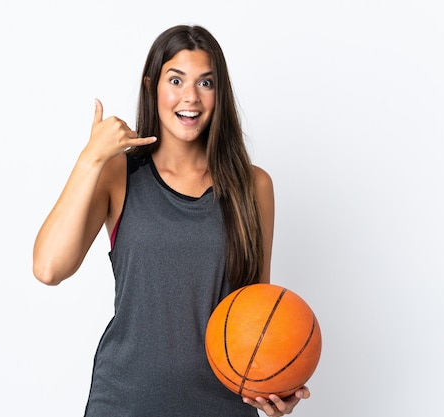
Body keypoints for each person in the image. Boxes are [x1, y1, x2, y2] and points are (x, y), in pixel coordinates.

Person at [33, 24, 310, 417]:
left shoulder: (255, 186)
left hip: (221, 407)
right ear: (152, 88)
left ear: (220, 93)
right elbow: (48, 268)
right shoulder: (117, 175)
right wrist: (90, 158)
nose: (190, 97)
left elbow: (257, 314)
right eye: (176, 79)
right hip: (124, 402)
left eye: (206, 82)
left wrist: (273, 389)